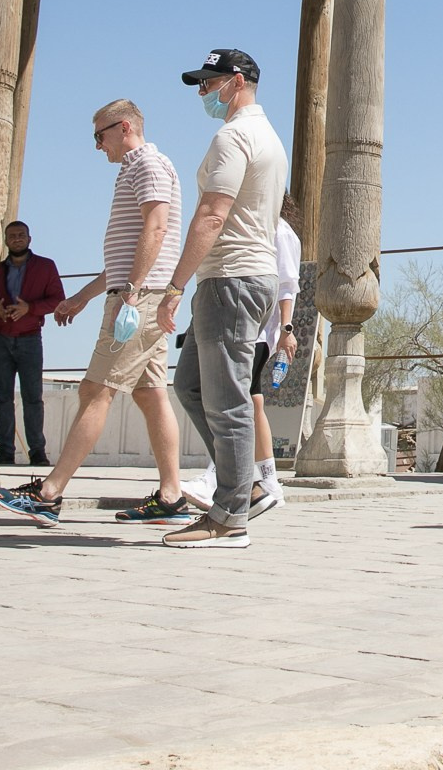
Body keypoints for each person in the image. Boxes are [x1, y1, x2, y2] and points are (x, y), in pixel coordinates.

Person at [0, 99, 187, 528]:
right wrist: (83, 296)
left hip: (140, 298)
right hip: (136, 293)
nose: (97, 145)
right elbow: (126, 251)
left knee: (95, 390)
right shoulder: (133, 170)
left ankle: (49, 493)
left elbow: (156, 229)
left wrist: (131, 293)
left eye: (100, 135)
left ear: (125, 127)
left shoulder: (149, 165)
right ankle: (171, 496)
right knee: (150, 395)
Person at [155, 47, 288, 548]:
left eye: (209, 83)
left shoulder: (235, 136)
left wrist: (174, 286)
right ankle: (246, 488)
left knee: (228, 400)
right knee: (191, 386)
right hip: (245, 278)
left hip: (230, 278)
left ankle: (229, 518)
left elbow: (212, 213)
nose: (203, 92)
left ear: (237, 82)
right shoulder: (269, 137)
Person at [0, 220, 64, 468]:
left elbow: (58, 299)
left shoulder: (46, 267)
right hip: (0, 339)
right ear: (6, 241)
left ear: (29, 239)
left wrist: (31, 308)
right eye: (12, 236)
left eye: (21, 235)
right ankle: (5, 451)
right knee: (3, 398)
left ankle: (37, 451)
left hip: (30, 338)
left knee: (33, 397)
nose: (16, 239)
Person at [244, 192, 304, 517]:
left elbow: (287, 284)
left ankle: (264, 480)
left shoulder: (280, 232)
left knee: (250, 399)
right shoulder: (262, 229)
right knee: (252, 400)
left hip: (259, 332)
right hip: (250, 329)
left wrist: (287, 329)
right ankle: (267, 479)